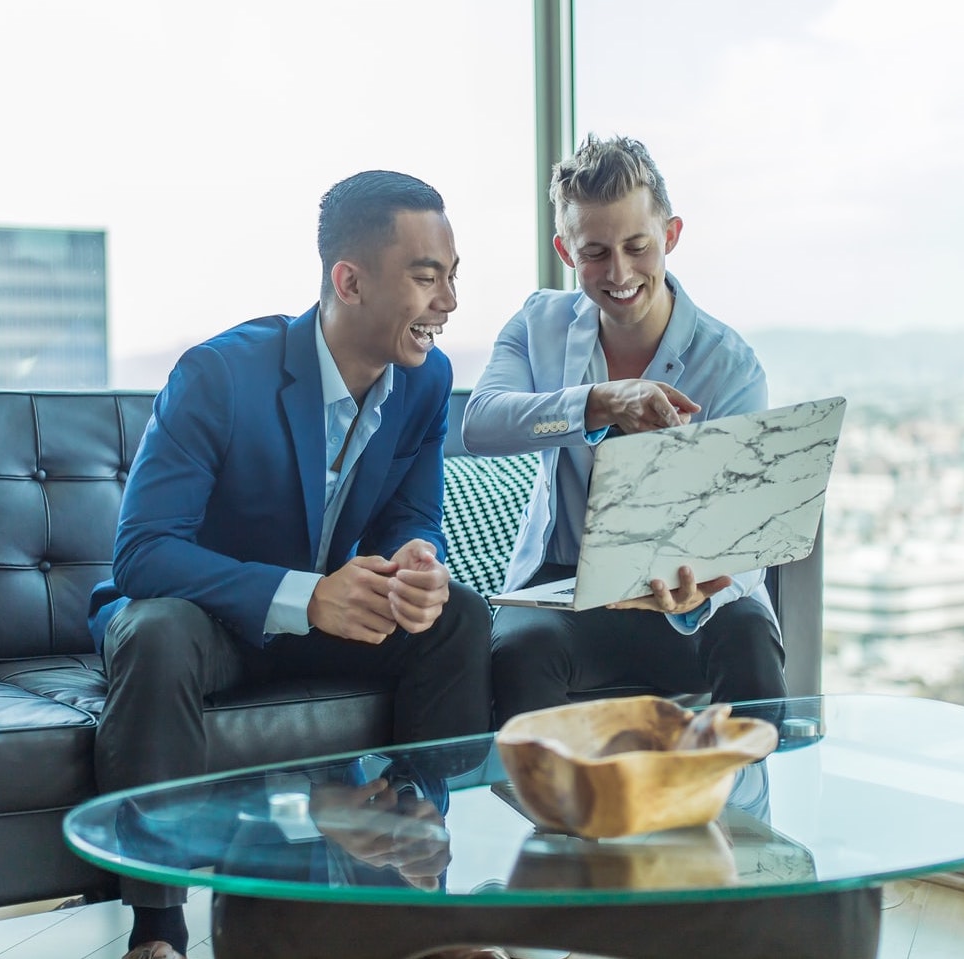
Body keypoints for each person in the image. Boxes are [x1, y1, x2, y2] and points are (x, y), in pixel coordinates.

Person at [87, 170, 493, 959]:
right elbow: (142, 550)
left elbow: (414, 512)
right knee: (156, 635)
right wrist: (305, 597)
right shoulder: (219, 375)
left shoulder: (426, 381)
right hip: (210, 620)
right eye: (425, 276)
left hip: (330, 614)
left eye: (452, 276)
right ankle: (157, 930)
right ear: (350, 279)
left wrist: (419, 559)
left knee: (459, 617)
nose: (448, 301)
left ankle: (416, 896)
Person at [460, 134, 787, 723]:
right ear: (565, 251)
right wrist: (598, 402)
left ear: (671, 235)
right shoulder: (538, 325)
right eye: (595, 253)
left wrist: (701, 590)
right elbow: (481, 424)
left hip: (689, 591)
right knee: (519, 650)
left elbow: (749, 532)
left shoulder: (730, 364)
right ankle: (551, 817)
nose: (620, 272)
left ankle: (751, 813)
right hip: (566, 589)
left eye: (638, 246)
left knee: (749, 637)